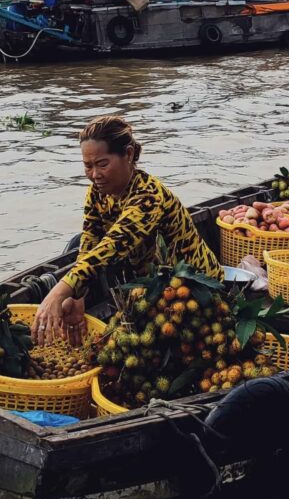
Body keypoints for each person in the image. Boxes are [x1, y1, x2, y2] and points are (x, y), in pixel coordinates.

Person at [32, 116, 224, 347]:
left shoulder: (149, 196)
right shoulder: (97, 193)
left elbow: (113, 246)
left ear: (129, 154)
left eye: (102, 164)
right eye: (88, 166)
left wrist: (58, 292)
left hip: (194, 290)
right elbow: (90, 244)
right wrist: (77, 296)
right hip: (149, 287)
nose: (95, 175)